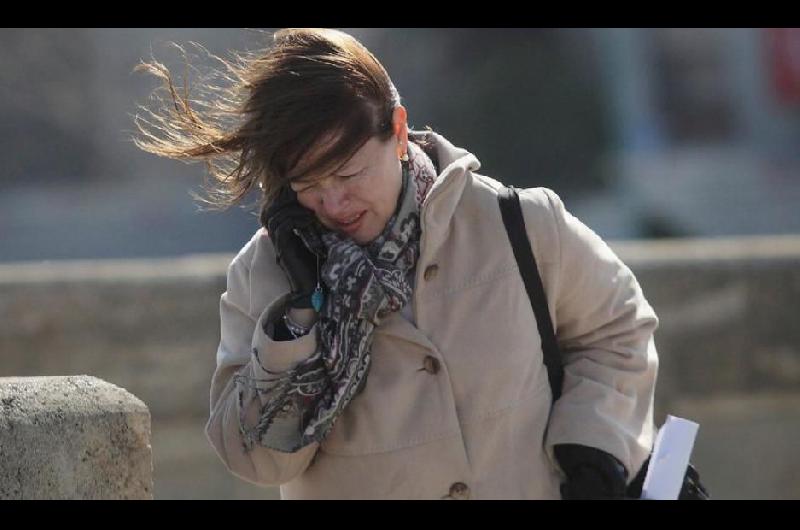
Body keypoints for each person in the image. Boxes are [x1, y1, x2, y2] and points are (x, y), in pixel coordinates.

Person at [134, 28, 659, 500]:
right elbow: (254, 459)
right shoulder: (265, 273)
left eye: (349, 174)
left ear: (400, 132)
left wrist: (593, 449)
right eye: (310, 186)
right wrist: (298, 319)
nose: (334, 205)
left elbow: (618, 329)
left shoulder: (516, 223)